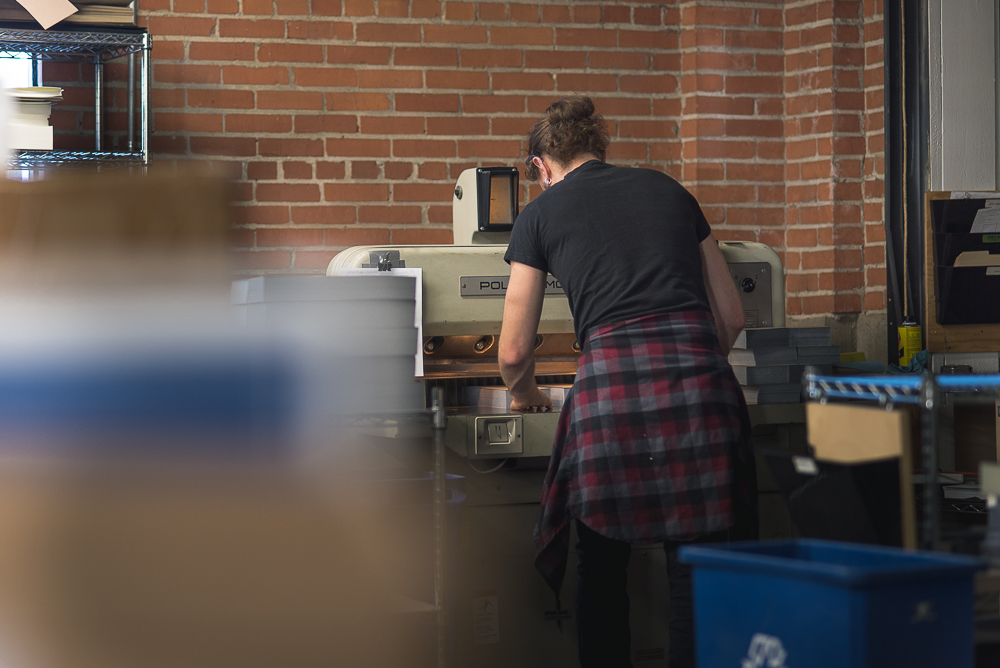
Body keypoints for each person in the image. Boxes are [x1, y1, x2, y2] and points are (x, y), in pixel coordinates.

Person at [497, 96, 758, 668]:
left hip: (611, 397)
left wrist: (526, 394)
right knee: (698, 571)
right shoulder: (669, 190)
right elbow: (733, 317)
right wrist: (688, 365)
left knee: (603, 571)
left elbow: (513, 351)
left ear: (541, 165)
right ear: (600, 147)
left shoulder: (539, 215)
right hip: (703, 391)